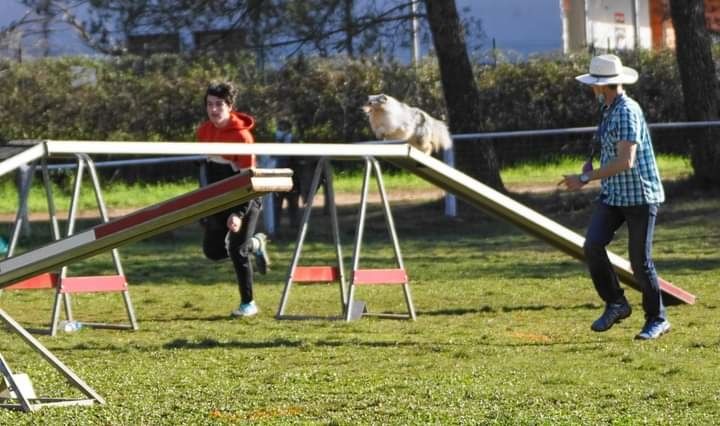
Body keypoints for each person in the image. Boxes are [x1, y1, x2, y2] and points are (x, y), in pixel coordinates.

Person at [559, 54, 669, 340]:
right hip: (614, 195)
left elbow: (626, 161)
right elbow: (611, 151)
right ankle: (616, 303)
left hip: (639, 196)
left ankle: (657, 319)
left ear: (601, 86)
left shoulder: (627, 111)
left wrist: (585, 178)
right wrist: (591, 167)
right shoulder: (608, 108)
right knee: (593, 245)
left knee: (639, 261)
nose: (591, 89)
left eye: (593, 84)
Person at [196, 81, 270, 317]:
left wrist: (238, 213)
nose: (214, 109)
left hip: (246, 196)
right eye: (209, 104)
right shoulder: (204, 132)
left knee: (237, 250)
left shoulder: (242, 137)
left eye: (219, 104)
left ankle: (248, 303)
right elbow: (204, 170)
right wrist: (203, 203)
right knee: (213, 251)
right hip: (218, 198)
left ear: (230, 106)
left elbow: (247, 181)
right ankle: (256, 244)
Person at [272, 119, 301, 232]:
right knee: (277, 205)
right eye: (279, 128)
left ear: (288, 129)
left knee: (293, 204)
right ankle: (275, 228)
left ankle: (295, 229)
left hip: (292, 178)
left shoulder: (294, 141)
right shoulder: (275, 141)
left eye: (282, 128)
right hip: (278, 178)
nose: (279, 130)